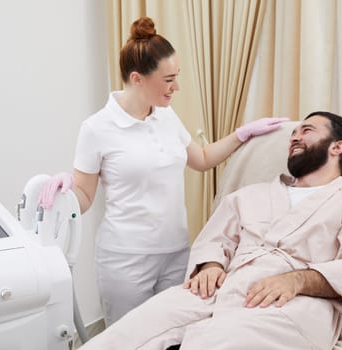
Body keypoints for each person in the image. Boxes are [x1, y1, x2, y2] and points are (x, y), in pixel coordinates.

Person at [38, 16, 287, 327]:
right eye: (168, 79)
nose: (176, 87)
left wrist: (242, 134)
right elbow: (85, 196)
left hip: (176, 252)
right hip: (125, 259)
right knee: (131, 338)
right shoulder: (97, 129)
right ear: (137, 78)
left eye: (177, 76)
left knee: (172, 334)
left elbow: (202, 158)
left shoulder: (166, 117)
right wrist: (66, 190)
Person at [77, 111, 342, 350]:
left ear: (337, 146)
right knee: (120, 336)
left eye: (306, 131)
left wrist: (296, 280)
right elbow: (215, 239)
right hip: (219, 288)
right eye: (292, 133)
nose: (294, 137)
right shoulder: (249, 195)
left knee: (217, 343)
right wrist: (211, 265)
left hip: (295, 301)